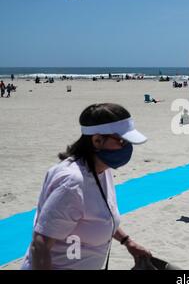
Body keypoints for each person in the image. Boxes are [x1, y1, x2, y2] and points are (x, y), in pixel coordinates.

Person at [21, 103, 152, 270]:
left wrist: (127, 242)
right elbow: (40, 246)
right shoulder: (72, 183)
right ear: (97, 140)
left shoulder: (101, 170)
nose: (127, 147)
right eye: (121, 140)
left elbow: (99, 218)